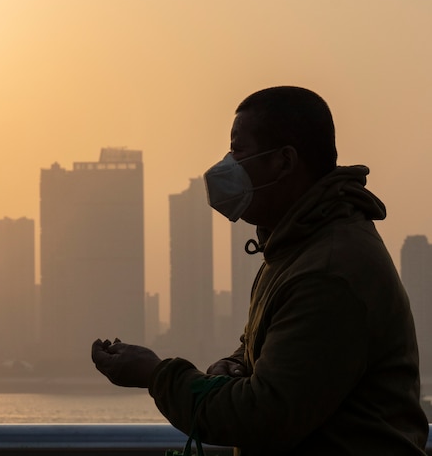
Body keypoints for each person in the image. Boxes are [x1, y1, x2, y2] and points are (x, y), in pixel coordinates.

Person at [92, 86, 428, 455]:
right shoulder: (293, 250)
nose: (226, 165)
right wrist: (233, 364)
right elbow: (273, 348)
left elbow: (263, 414)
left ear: (283, 161)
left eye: (238, 150)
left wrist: (155, 375)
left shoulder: (328, 272)